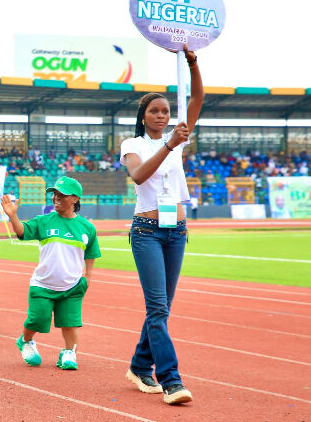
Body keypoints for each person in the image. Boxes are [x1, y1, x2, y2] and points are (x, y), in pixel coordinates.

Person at [119, 44, 204, 405]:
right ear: (144, 116)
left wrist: (193, 62)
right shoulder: (132, 143)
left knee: (162, 309)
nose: (161, 115)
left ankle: (139, 365)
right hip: (147, 232)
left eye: (166, 111)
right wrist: (169, 145)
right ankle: (170, 380)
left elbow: (198, 96)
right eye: (155, 111)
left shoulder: (179, 137)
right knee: (157, 309)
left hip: (177, 232)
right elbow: (139, 175)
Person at [1, 176, 100, 371]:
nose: (55, 198)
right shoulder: (43, 221)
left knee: (70, 324)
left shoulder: (87, 227)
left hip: (71, 286)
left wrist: (87, 276)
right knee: (37, 319)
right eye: (54, 194)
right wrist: (13, 216)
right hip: (43, 284)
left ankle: (69, 352)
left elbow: (91, 252)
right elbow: (22, 232)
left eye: (61, 195)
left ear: (74, 199)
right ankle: (26, 341)